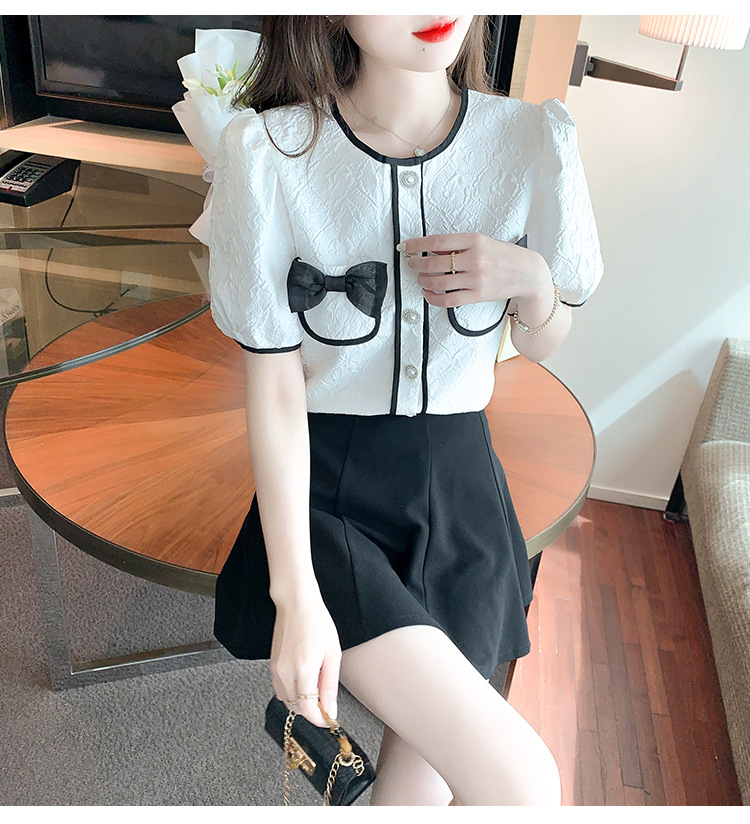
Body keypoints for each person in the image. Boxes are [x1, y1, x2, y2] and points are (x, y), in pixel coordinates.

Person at [208, 15, 603, 806]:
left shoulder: (531, 140)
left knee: (417, 795)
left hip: (461, 494)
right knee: (522, 781)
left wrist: (531, 281)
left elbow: (546, 340)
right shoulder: (271, 153)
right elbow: (275, 385)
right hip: (327, 496)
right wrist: (295, 593)